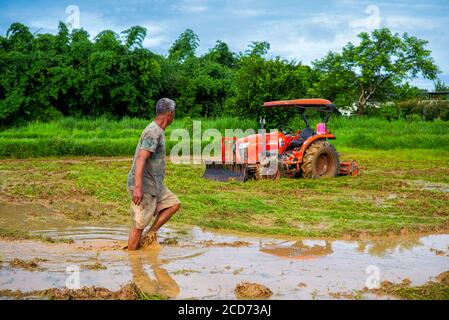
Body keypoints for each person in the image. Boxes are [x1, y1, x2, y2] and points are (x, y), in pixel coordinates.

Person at [127, 98, 181, 250]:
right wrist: (138, 188)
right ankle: (132, 258)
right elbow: (141, 159)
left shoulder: (159, 131)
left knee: (173, 203)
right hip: (144, 186)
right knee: (139, 224)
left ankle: (149, 235)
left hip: (155, 185)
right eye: (174, 112)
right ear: (169, 114)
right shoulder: (153, 132)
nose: (174, 115)